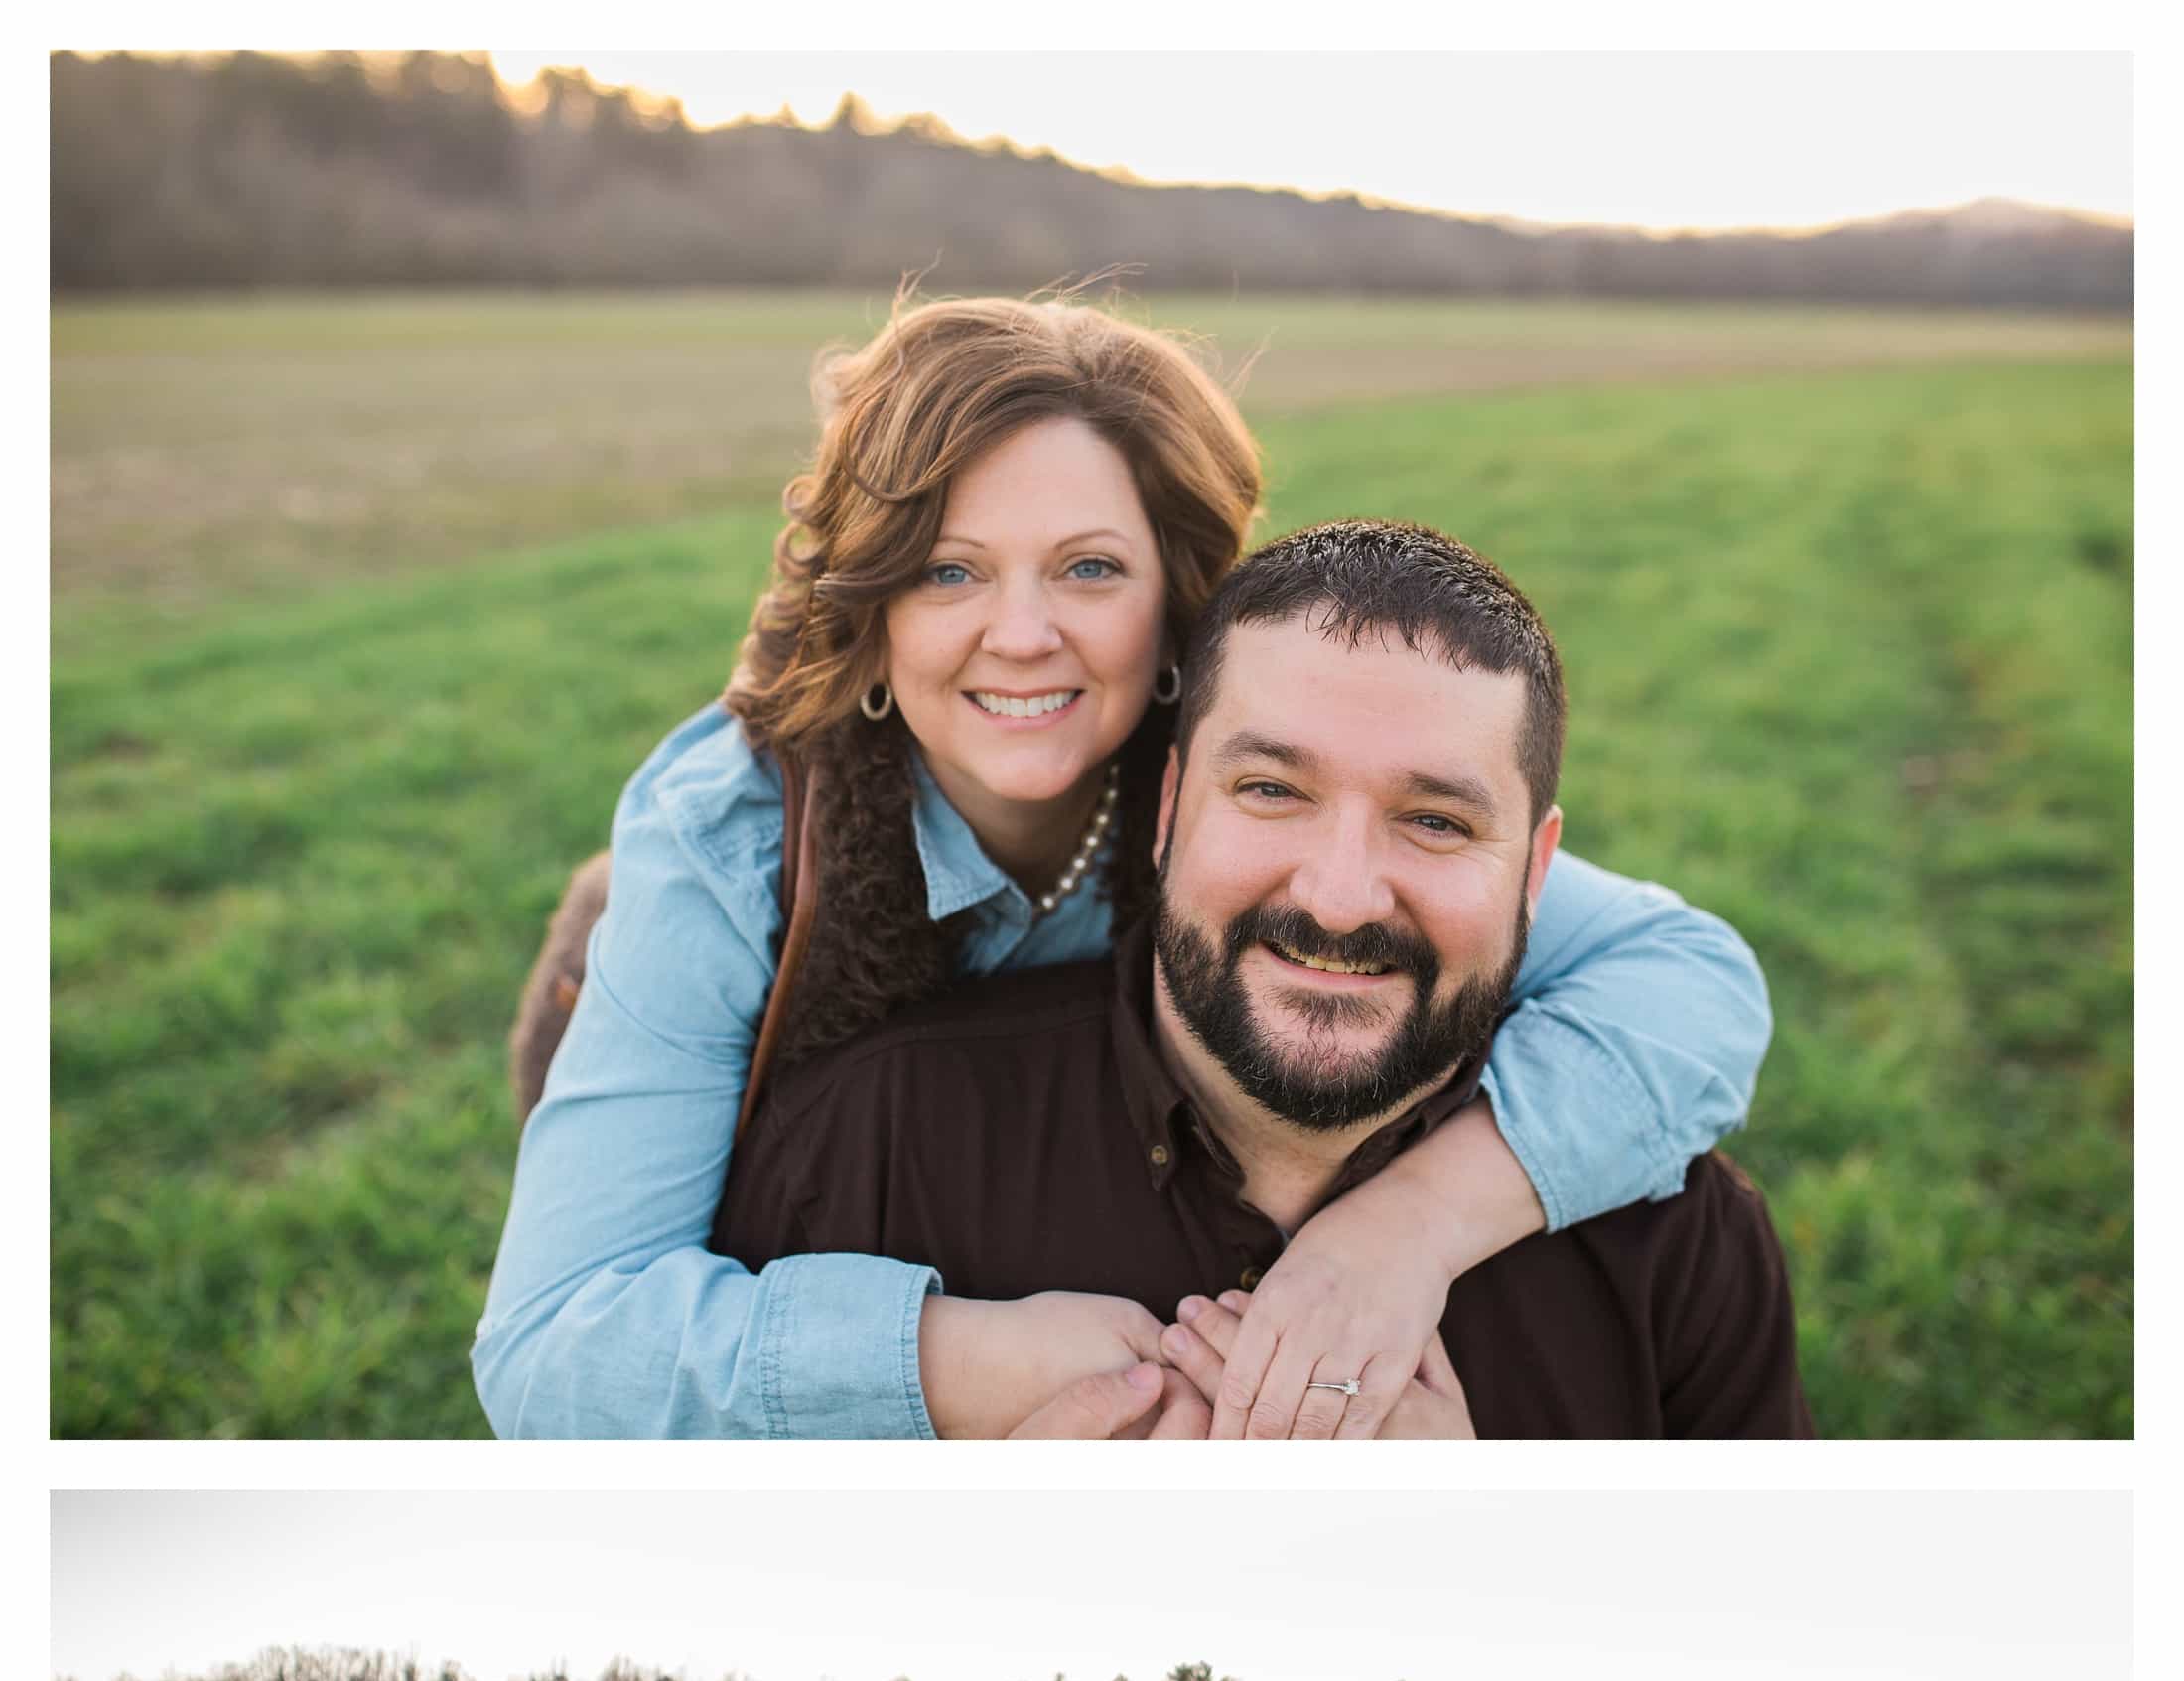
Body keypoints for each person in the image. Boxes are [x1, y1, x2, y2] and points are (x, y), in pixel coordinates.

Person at [473, 292, 1774, 1441]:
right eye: (947, 570)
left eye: (1090, 568)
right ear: (871, 617)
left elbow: (1686, 979)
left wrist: (1401, 1234)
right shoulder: (731, 843)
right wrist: (961, 1362)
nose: (1023, 634)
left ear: (1178, 603)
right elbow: (551, 1353)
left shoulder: (1249, 800)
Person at [714, 517, 1813, 1437]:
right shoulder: (863, 1151)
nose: (1339, 899)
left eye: (1433, 821)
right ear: (1167, 809)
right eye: (1272, 791)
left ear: (1535, 870)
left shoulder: (1676, 1243)